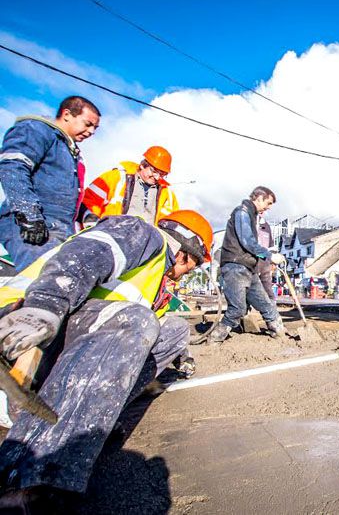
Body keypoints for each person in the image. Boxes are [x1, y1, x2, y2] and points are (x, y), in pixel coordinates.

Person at [0, 209, 213, 509]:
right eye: (194, 265)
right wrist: (43, 307)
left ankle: (89, 415)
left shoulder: (156, 284)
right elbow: (85, 255)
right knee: (139, 321)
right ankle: (28, 481)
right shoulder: (143, 234)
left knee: (173, 330)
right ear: (186, 255)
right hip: (20, 329)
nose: (188, 273)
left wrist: (182, 356)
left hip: (62, 345)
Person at [0, 96, 101, 271]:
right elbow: (13, 166)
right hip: (33, 223)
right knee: (42, 277)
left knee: (63, 280)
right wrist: (28, 214)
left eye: (95, 128)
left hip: (60, 229)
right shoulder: (36, 130)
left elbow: (64, 194)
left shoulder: (70, 151)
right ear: (67, 114)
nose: (91, 131)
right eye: (88, 124)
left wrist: (86, 216)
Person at [209, 186, 286, 344]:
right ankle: (215, 338)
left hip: (248, 269)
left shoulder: (251, 215)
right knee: (237, 309)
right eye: (268, 203)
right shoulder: (242, 212)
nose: (269, 207)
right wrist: (270, 256)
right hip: (235, 266)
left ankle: (280, 334)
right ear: (259, 198)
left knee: (266, 305)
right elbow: (247, 242)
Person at [81, 145, 178, 226]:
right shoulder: (117, 177)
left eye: (162, 174)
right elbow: (88, 202)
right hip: (110, 236)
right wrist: (92, 229)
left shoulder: (167, 194)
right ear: (143, 165)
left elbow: (171, 223)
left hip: (145, 241)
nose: (157, 177)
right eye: (154, 171)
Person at [255, 212, 275, 300]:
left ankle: (271, 303)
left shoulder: (266, 225)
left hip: (264, 260)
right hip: (249, 260)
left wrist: (273, 260)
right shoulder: (246, 221)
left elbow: (271, 245)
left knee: (267, 285)